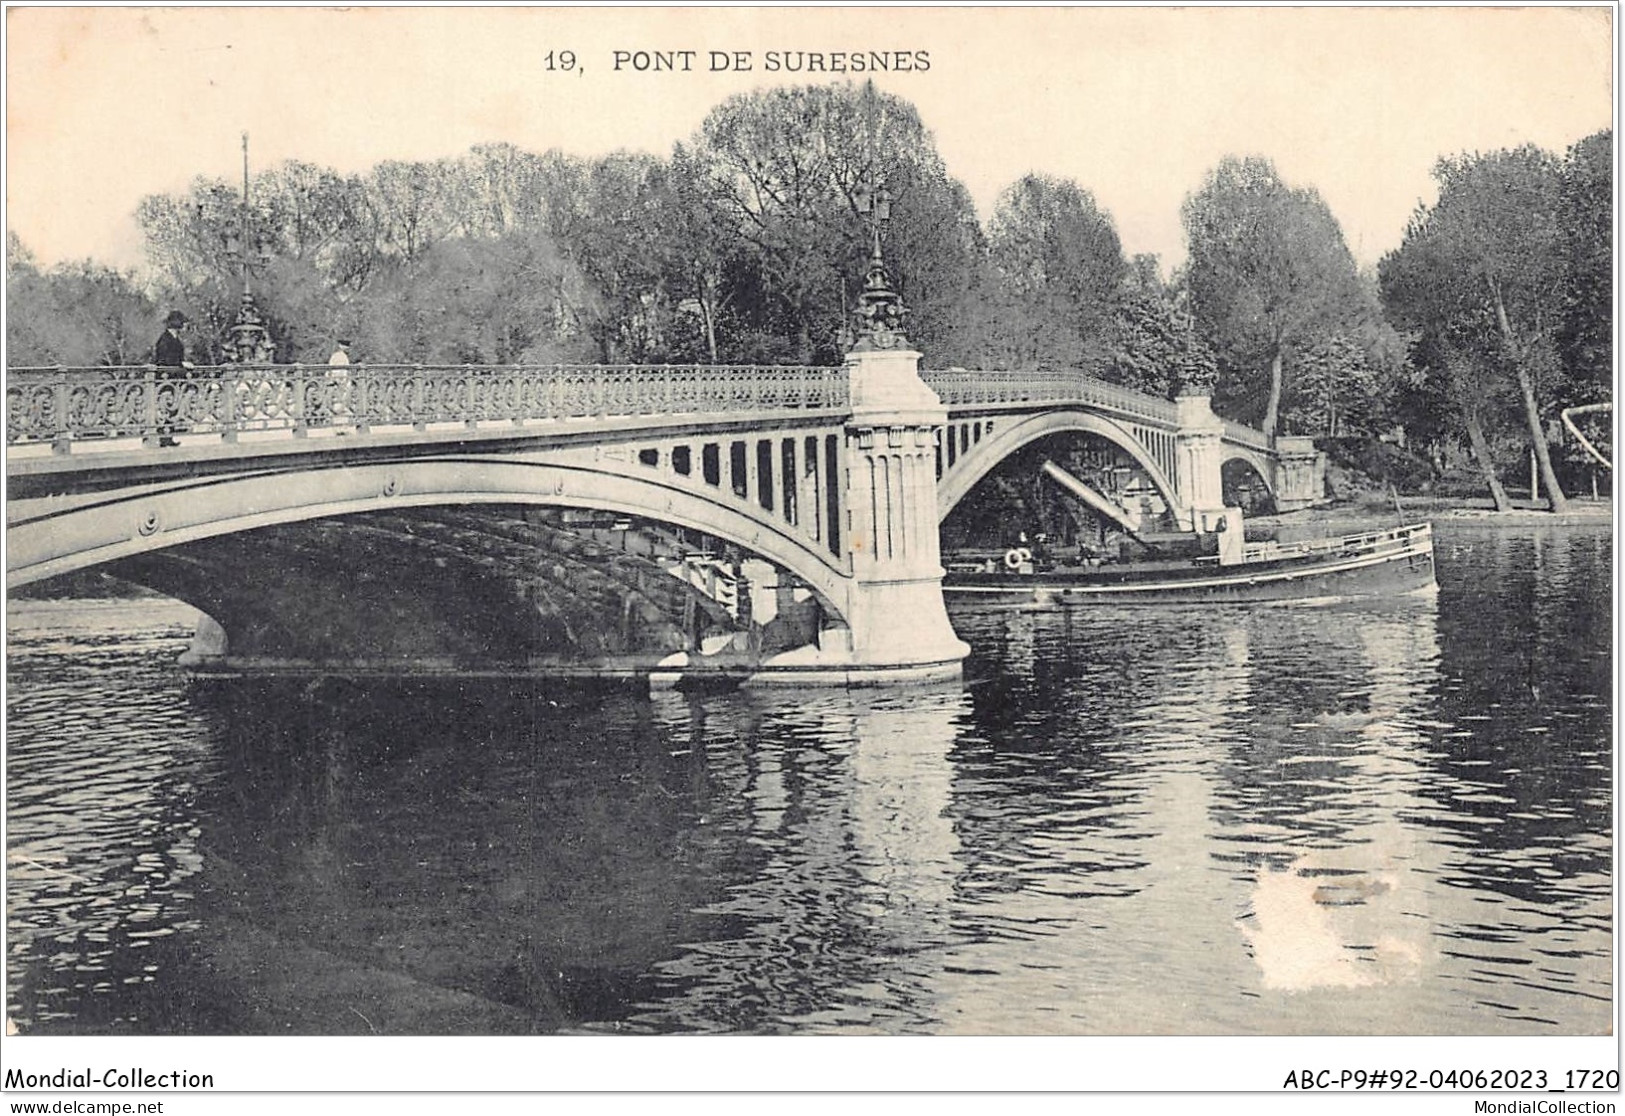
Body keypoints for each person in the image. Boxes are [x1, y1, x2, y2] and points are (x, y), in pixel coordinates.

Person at [152, 310, 193, 446]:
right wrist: (182, 364)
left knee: (172, 407)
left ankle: (168, 437)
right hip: (166, 378)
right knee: (167, 406)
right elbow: (165, 360)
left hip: (173, 378)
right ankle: (164, 438)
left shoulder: (174, 338)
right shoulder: (165, 339)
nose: (185, 326)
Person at [326, 338, 354, 428]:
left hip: (336, 380)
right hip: (340, 381)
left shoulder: (336, 355)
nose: (347, 348)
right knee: (341, 402)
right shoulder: (340, 356)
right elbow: (339, 370)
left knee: (339, 402)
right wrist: (341, 380)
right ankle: (341, 424)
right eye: (345, 346)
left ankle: (339, 424)